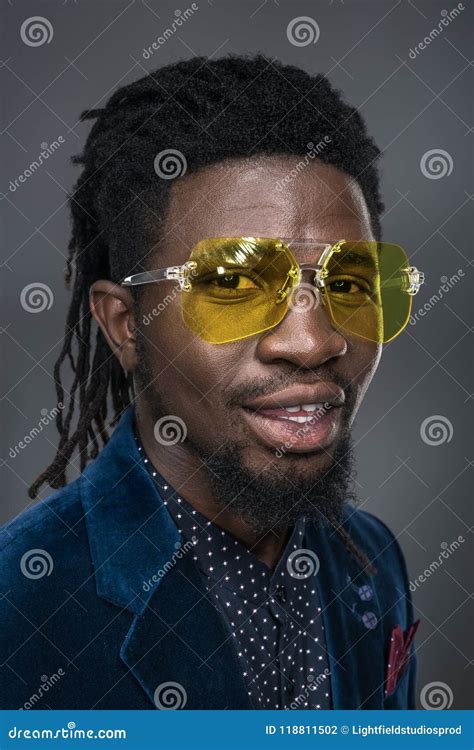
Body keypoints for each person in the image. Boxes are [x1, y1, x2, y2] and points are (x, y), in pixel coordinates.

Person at [0, 55, 423, 710]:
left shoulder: (372, 557)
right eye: (231, 283)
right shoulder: (20, 603)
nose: (314, 341)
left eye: (348, 283)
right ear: (125, 324)